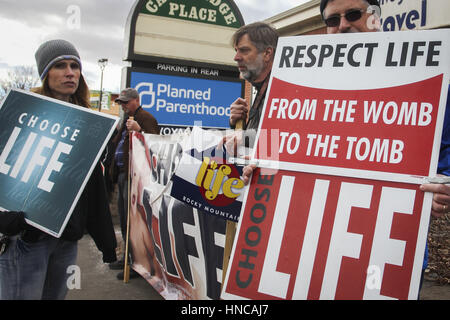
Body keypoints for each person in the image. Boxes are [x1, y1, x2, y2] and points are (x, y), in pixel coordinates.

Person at [241, 0, 450, 297]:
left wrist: (444, 185)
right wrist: (259, 165)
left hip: (386, 251)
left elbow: (445, 154)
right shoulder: (300, 83)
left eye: (353, 14)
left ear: (376, 17)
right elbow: (283, 147)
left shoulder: (429, 80)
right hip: (308, 247)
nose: (342, 25)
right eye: (331, 20)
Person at [0, 39, 117, 300]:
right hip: (25, 237)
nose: (70, 72)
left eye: (75, 66)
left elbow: (92, 186)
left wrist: (106, 242)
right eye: (60, 66)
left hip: (66, 239)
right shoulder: (21, 114)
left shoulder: (89, 124)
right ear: (45, 74)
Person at [110, 88, 159, 279]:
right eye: (121, 102)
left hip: (136, 176)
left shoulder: (145, 118)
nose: (122, 105)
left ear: (135, 101)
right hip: (125, 174)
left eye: (125, 102)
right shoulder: (127, 119)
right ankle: (127, 258)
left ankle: (136, 262)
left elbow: (156, 144)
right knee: (124, 218)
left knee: (133, 220)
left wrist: (140, 131)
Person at [222, 22, 279, 153]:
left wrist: (243, 138)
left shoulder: (281, 95)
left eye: (244, 50)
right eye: (236, 51)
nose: (236, 58)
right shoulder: (262, 91)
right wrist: (237, 127)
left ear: (267, 53)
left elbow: (282, 145)